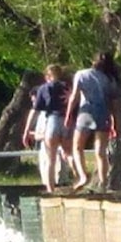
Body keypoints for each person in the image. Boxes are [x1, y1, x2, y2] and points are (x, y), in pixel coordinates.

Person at [64, 51, 120, 192]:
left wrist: (68, 115)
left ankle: (83, 176)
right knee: (100, 151)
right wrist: (113, 121)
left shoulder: (82, 74)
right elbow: (112, 103)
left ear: (93, 61)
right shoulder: (110, 79)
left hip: (86, 113)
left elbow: (74, 97)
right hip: (103, 114)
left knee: (77, 147)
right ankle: (103, 183)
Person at [22, 64, 77, 193]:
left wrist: (26, 131)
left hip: (52, 121)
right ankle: (80, 177)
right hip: (66, 121)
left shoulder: (43, 88)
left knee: (50, 158)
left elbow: (34, 111)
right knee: (68, 153)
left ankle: (50, 189)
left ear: (48, 76)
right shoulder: (67, 87)